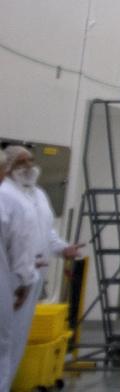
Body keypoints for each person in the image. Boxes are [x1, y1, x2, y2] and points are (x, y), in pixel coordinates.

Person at [0, 148, 38, 389]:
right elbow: (20, 243)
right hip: (10, 281)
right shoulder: (11, 199)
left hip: (14, 276)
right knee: (5, 345)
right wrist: (25, 280)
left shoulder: (29, 196)